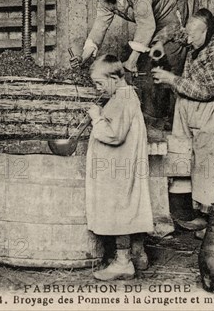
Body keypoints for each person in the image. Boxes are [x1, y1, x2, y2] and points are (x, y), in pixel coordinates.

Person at [152, 8, 214, 237]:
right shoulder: (197, 35)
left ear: (209, 30)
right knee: (197, 163)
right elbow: (180, 33)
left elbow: (205, 90)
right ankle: (204, 218)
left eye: (195, 34)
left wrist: (172, 79)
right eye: (190, 33)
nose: (189, 39)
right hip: (199, 112)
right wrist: (159, 41)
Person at [70, 0, 188, 124]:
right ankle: (154, 116)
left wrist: (131, 60)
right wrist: (83, 56)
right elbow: (98, 28)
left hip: (171, 10)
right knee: (148, 60)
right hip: (151, 19)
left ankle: (177, 119)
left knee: (169, 57)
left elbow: (146, 27)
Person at [85, 54, 153, 280]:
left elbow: (115, 135)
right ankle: (137, 253)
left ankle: (123, 262)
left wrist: (96, 118)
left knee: (120, 208)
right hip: (123, 164)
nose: (97, 88)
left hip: (119, 168)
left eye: (99, 83)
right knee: (131, 204)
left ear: (114, 77)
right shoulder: (123, 95)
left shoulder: (123, 98)